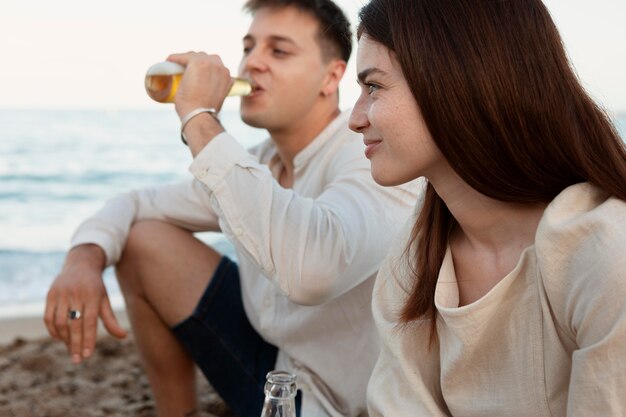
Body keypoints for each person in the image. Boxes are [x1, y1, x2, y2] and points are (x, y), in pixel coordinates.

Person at [43, 1, 419, 416]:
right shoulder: (256, 165)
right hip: (275, 370)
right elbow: (136, 203)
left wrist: (199, 118)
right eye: (248, 46)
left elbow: (314, 271)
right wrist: (83, 258)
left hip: (339, 403)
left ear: (330, 77)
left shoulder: (370, 152)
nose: (251, 62)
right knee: (143, 238)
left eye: (278, 51)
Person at [348, 0, 626, 416]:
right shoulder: (414, 259)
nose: (355, 118)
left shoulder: (606, 254)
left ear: (452, 80)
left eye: (373, 87)